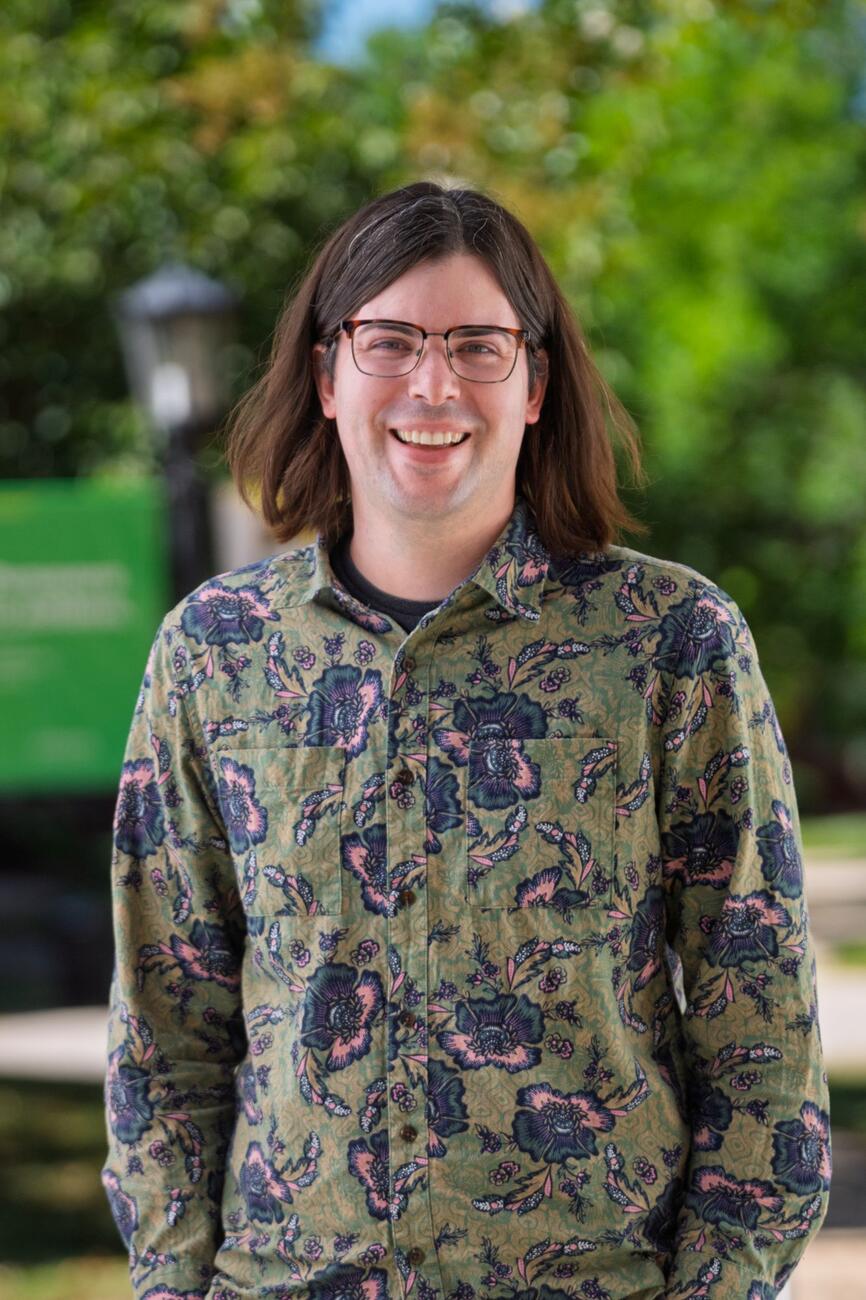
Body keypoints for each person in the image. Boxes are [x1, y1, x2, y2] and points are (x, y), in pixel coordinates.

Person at [102, 181, 830, 1300]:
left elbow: (760, 1033)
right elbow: (165, 1035)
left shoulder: (670, 643)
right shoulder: (215, 653)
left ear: (534, 383)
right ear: (325, 372)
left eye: (477, 345)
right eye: (387, 340)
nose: (431, 384)